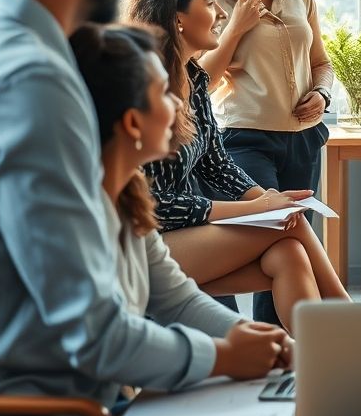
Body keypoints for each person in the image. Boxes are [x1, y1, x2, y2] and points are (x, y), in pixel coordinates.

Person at [0, 0, 286, 416]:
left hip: (71, 405)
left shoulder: (37, 56)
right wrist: (221, 356)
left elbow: (155, 283)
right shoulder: (35, 81)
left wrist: (238, 335)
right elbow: (89, 326)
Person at [121, 0, 349, 329]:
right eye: (210, 4)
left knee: (289, 250)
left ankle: (309, 364)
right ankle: (354, 326)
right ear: (176, 18)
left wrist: (265, 200)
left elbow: (216, 162)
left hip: (182, 237)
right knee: (288, 226)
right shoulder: (140, 90)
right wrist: (257, 210)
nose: (222, 15)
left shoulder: (192, 79)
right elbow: (156, 204)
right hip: (141, 247)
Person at [69, 23, 291, 379]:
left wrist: (263, 340)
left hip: (111, 402)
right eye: (163, 93)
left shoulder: (128, 199)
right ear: (132, 123)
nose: (177, 101)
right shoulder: (75, 216)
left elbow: (178, 299)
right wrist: (224, 356)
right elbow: (107, 344)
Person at [191, 0, 335, 325]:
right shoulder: (215, 2)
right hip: (243, 140)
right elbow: (200, 82)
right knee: (271, 232)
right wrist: (234, 28)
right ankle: (236, 336)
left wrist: (323, 95)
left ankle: (280, 344)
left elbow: (321, 63)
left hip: (303, 140)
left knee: (286, 248)